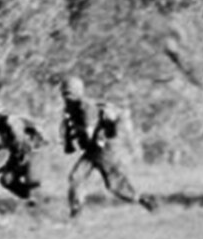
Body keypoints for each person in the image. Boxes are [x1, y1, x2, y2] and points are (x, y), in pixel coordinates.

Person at [60, 76, 157, 218]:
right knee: (76, 177)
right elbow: (69, 129)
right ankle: (76, 210)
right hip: (91, 150)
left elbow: (89, 132)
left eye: (69, 93)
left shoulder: (87, 107)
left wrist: (78, 133)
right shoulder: (70, 109)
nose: (66, 97)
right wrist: (68, 142)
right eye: (64, 94)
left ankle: (143, 200)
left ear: (78, 92)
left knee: (114, 185)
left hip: (104, 151)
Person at [0, 96, 46, 205]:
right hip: (19, 154)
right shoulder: (0, 124)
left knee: (32, 180)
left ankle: (36, 199)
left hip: (32, 152)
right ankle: (34, 199)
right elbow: (11, 141)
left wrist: (19, 157)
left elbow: (19, 140)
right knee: (6, 180)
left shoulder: (11, 121)